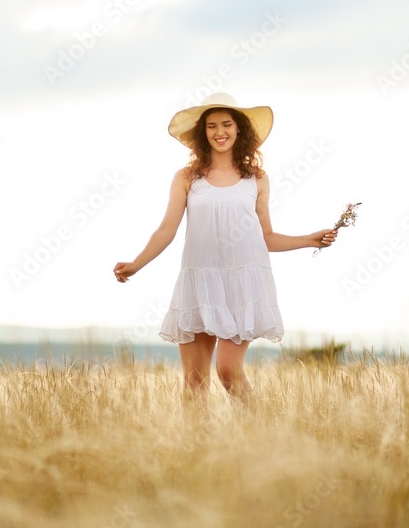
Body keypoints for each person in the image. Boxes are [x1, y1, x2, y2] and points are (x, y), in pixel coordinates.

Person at [113, 93, 337, 406]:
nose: (220, 132)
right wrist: (136, 264)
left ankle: (260, 433)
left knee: (229, 370)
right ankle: (198, 451)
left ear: (239, 129)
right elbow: (166, 230)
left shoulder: (256, 179)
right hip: (200, 283)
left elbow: (266, 236)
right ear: (202, 133)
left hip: (241, 285)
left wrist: (308, 239)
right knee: (194, 384)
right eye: (212, 126)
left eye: (227, 124)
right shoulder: (187, 178)